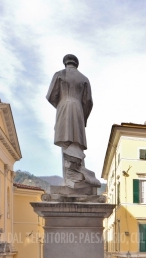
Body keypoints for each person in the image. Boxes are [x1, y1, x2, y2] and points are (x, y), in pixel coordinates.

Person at [46, 54, 101, 189]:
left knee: (66, 144)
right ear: (76, 63)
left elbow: (51, 96)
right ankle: (75, 179)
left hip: (63, 107)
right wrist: (83, 118)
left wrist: (61, 104)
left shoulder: (59, 74)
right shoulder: (84, 79)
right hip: (78, 111)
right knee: (77, 145)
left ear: (65, 63)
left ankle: (69, 181)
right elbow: (88, 102)